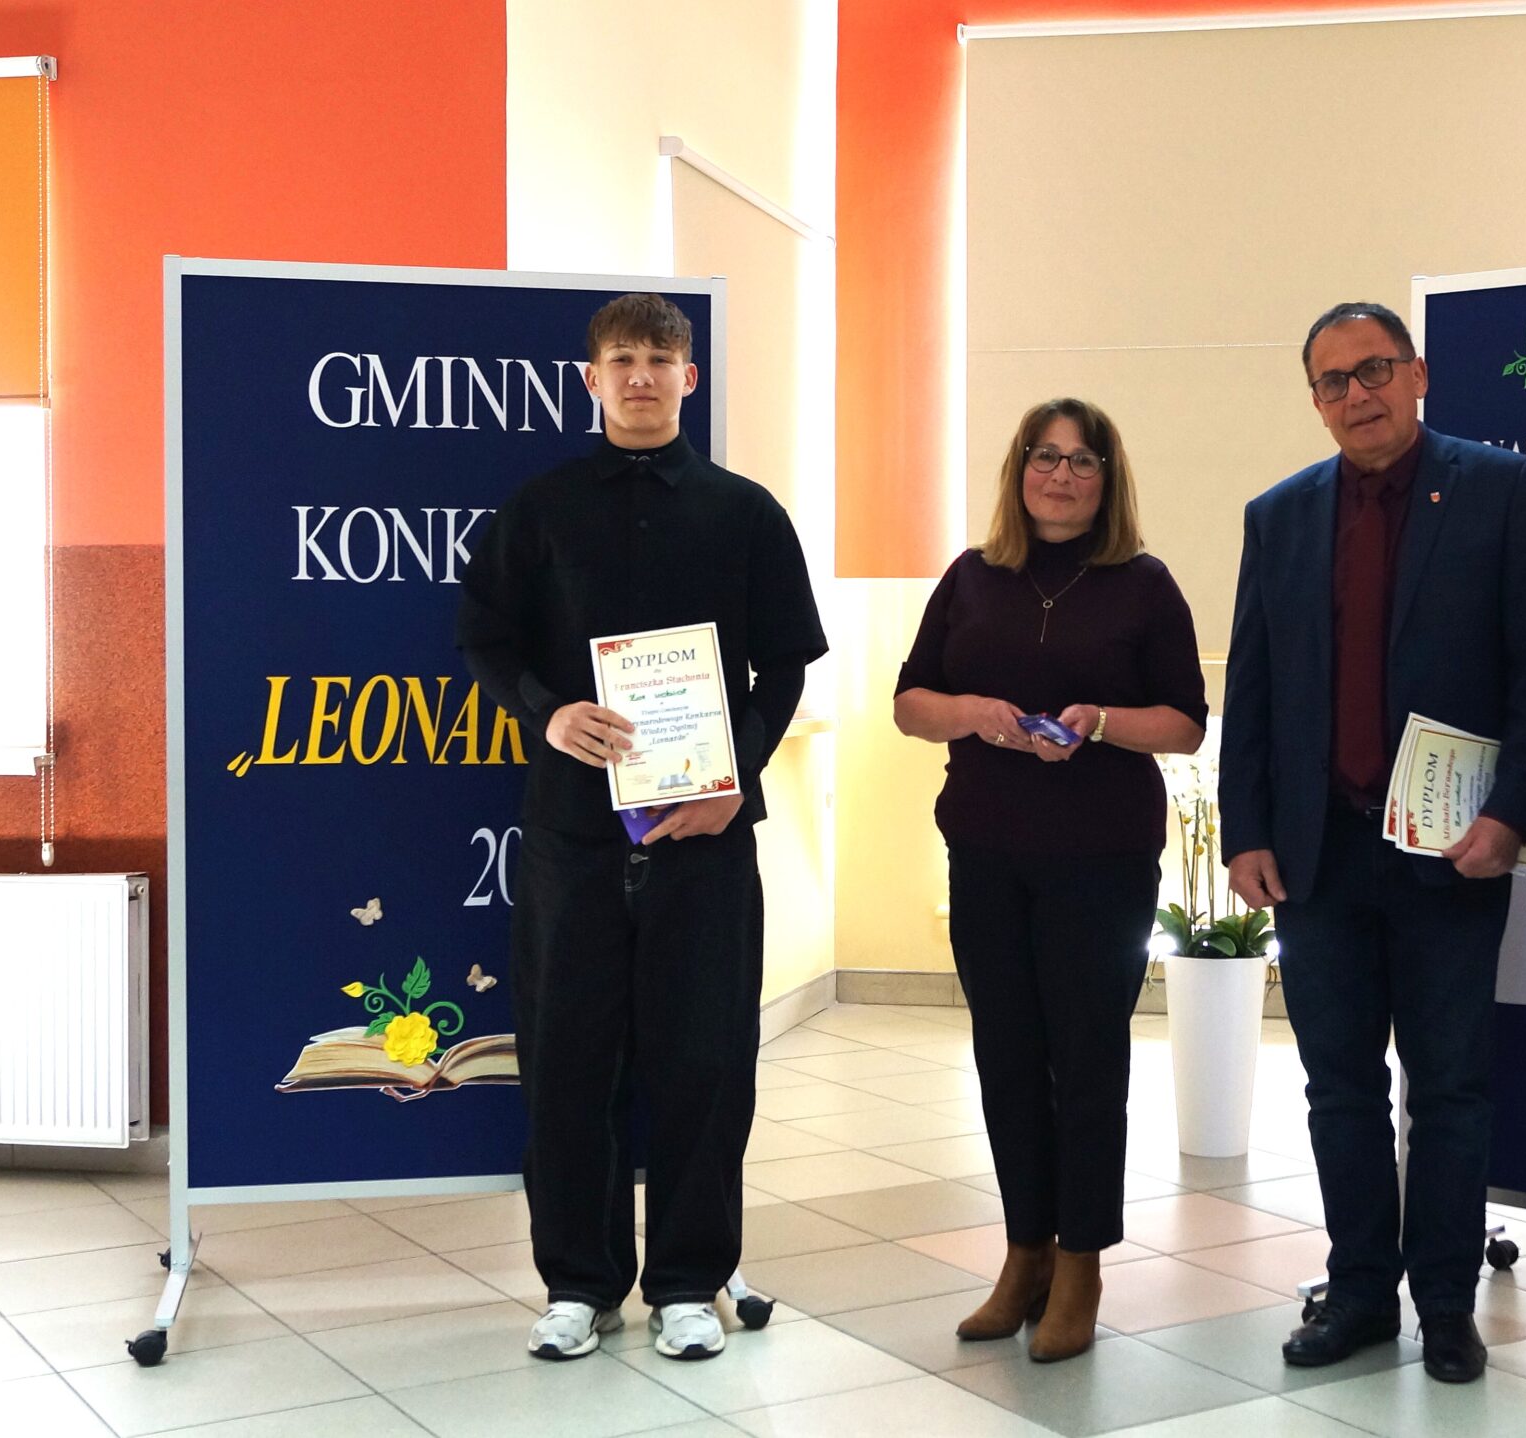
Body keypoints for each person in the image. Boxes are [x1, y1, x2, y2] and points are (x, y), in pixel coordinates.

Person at [456, 293, 827, 1364]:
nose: (641, 377)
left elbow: (785, 665)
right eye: (621, 359)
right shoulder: (541, 508)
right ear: (591, 380)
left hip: (707, 835)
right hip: (571, 833)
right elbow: (484, 639)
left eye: (661, 359)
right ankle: (578, 1283)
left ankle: (686, 1284)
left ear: (688, 378)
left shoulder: (746, 512)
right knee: (567, 1062)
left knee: (704, 1064)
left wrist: (737, 773)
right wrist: (546, 712)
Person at [1220, 302, 1526, 1382]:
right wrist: (1245, 831)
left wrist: (1512, 816)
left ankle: (1447, 1304)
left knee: (1451, 1087)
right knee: (1337, 1087)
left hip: (1450, 849)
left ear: (1416, 374)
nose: (1356, 395)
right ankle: (1363, 1292)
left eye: (1373, 369)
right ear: (1314, 401)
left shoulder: (1499, 490)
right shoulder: (1279, 516)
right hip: (1317, 852)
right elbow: (1254, 685)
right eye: (1332, 381)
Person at [893, 397, 1207, 1363]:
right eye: (1045, 456)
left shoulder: (1143, 585)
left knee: (1087, 1062)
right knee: (1006, 1058)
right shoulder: (971, 576)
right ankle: (1024, 1250)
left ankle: (1081, 1263)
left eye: (1082, 461)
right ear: (1018, 470)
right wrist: (973, 713)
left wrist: (1100, 722)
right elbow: (909, 703)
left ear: (1108, 480)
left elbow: (1186, 723)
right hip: (987, 853)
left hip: (1100, 862)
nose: (1061, 476)